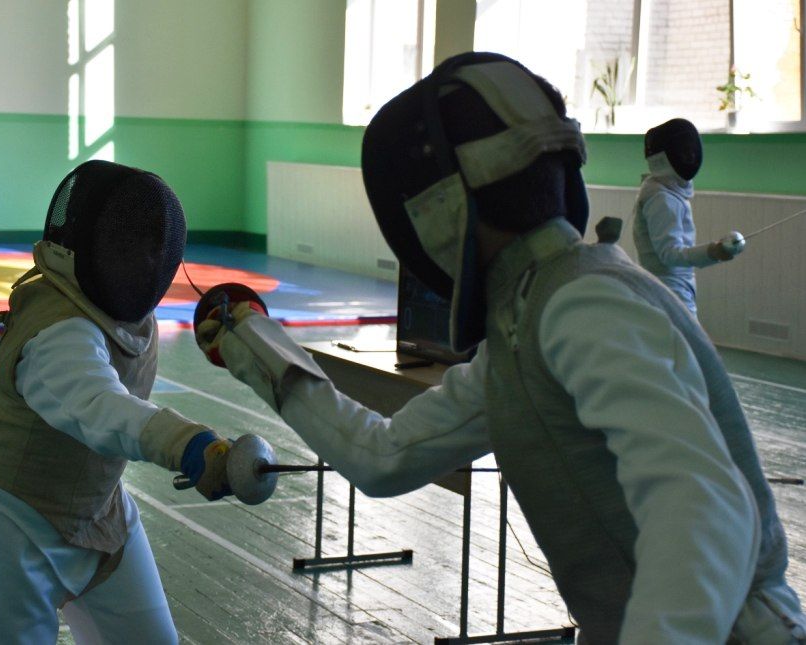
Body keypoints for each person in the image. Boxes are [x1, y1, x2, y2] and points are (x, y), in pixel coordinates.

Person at [195, 53, 805, 643]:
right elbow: (382, 457)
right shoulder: (525, 330)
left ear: (440, 212)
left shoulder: (584, 305)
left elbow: (703, 510)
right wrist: (250, 340)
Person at [0, 160, 260, 644]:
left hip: (99, 510)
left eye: (156, 245)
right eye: (130, 242)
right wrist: (188, 444)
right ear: (92, 245)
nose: (148, 258)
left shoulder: (124, 312)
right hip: (11, 518)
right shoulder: (58, 329)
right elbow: (100, 405)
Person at [632, 118, 737, 314]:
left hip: (671, 288)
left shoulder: (665, 191)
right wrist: (712, 252)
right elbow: (669, 254)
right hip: (668, 293)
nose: (691, 156)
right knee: (689, 335)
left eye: (691, 151)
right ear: (665, 157)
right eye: (685, 152)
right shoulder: (661, 198)